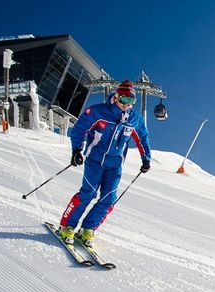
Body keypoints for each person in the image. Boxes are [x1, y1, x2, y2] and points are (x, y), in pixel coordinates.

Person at [58, 80, 151, 246]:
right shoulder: (98, 111)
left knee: (109, 199)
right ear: (116, 97)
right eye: (123, 100)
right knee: (88, 193)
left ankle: (88, 229)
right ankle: (67, 226)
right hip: (95, 160)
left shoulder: (134, 119)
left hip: (115, 166)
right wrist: (76, 150)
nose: (126, 104)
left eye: (130, 101)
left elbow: (142, 138)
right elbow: (80, 128)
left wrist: (146, 159)